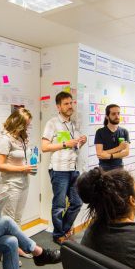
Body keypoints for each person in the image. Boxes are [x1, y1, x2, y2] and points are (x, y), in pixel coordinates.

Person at [42, 91, 87, 245]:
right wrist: (64, 144)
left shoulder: (74, 124)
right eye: (66, 104)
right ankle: (58, 234)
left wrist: (82, 140)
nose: (70, 106)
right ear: (58, 107)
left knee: (77, 202)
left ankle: (64, 229)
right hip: (59, 169)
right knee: (59, 205)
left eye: (71, 103)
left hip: (74, 168)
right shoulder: (52, 123)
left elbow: (76, 144)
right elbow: (44, 147)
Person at [0, 107, 36, 259]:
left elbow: (23, 158)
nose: (27, 127)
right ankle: (7, 253)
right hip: (9, 184)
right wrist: (22, 168)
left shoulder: (22, 138)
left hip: (23, 181)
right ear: (17, 123)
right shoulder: (5, 140)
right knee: (9, 220)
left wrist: (29, 166)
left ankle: (16, 248)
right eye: (26, 124)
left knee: (18, 218)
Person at [94, 103, 130, 171]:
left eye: (118, 113)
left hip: (119, 168)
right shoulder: (100, 132)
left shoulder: (124, 131)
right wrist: (119, 148)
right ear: (107, 116)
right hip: (104, 169)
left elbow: (126, 152)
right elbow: (100, 154)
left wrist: (110, 156)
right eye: (113, 114)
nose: (117, 116)